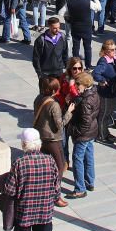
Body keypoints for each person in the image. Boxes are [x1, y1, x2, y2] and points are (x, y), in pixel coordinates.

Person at [4, 128, 60, 231]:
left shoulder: (19, 163)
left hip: (25, 211)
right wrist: (53, 198)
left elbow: (10, 190)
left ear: (23, 144)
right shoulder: (50, 160)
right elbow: (56, 187)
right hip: (45, 211)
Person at [32, 77, 74, 208]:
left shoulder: (38, 98)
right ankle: (55, 195)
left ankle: (41, 191)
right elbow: (60, 125)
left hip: (40, 136)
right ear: (54, 90)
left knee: (43, 166)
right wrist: (69, 112)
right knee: (60, 166)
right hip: (53, 139)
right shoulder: (53, 104)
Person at [67, 71, 100, 199]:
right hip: (92, 131)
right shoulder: (94, 93)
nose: (76, 87)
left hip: (84, 134)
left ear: (85, 85)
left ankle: (80, 188)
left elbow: (85, 122)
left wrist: (75, 131)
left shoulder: (86, 101)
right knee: (89, 155)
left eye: (78, 85)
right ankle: (90, 182)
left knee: (77, 158)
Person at [64, 0, 101, 66]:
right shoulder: (88, 2)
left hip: (75, 27)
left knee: (76, 47)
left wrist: (69, 18)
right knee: (87, 47)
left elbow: (63, 13)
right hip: (87, 28)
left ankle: (75, 64)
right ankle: (88, 65)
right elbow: (99, 7)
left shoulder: (70, 3)